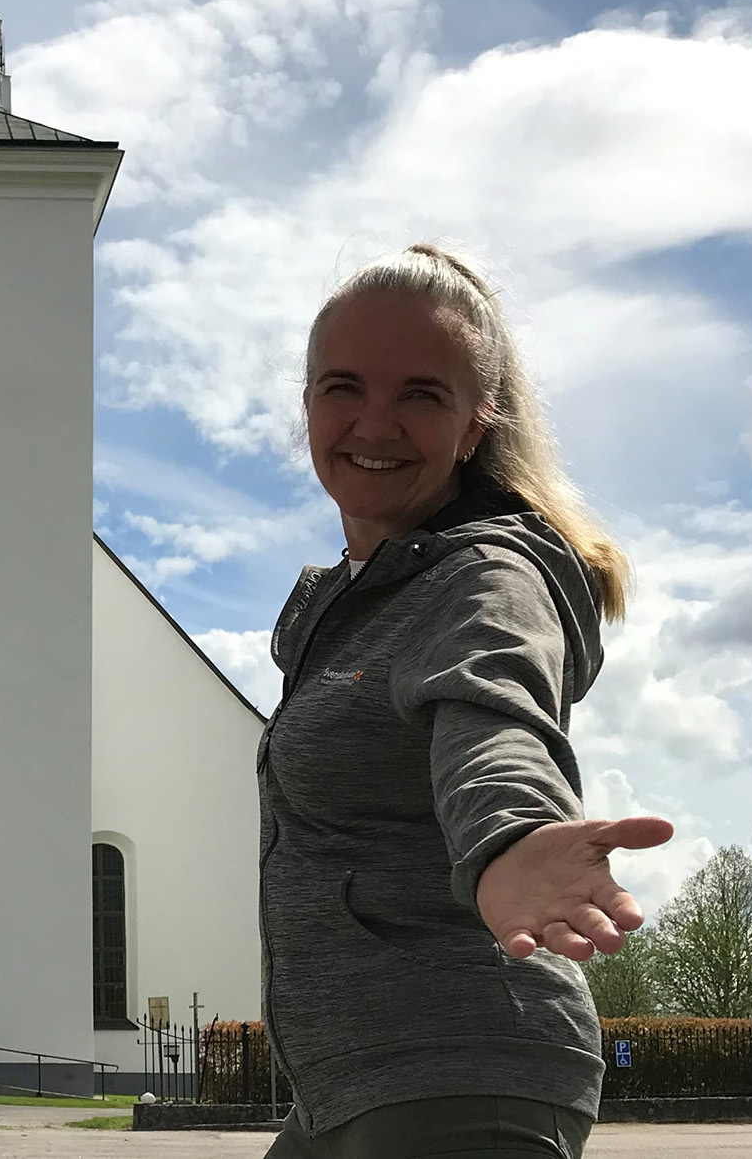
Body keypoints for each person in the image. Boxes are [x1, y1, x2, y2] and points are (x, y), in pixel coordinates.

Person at [258, 243, 674, 1159]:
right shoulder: (355, 596)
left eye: (421, 393)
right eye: (343, 386)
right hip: (354, 1085)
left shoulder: (486, 577)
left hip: (462, 1071)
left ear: (477, 423)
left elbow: (492, 715)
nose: (376, 420)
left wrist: (510, 842)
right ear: (308, 405)